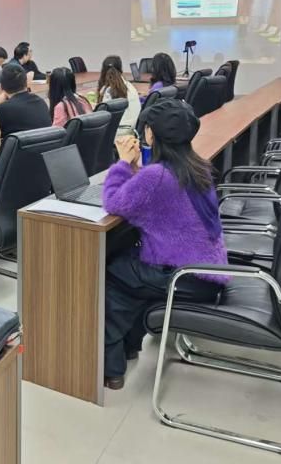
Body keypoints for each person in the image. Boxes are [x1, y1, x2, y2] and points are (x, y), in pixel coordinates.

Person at [101, 99, 228, 390]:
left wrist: (123, 163)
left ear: (150, 134)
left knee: (113, 274)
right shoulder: (196, 166)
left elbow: (113, 201)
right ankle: (128, 348)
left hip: (186, 277)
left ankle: (111, 367)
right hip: (208, 271)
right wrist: (136, 170)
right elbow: (152, 194)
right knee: (131, 271)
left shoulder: (157, 176)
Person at [0, 63, 52, 137]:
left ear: (1, 87)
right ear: (26, 83)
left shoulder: (3, 109)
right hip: (48, 144)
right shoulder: (41, 102)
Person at [97, 55, 141, 130]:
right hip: (133, 128)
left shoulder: (107, 91)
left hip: (117, 132)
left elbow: (101, 118)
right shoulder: (130, 86)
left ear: (103, 71)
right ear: (121, 69)